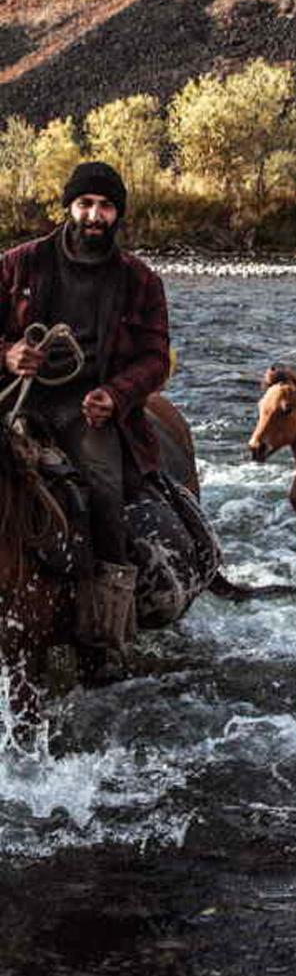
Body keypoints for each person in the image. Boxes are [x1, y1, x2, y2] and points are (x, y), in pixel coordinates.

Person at [0, 161, 170, 671]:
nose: (95, 215)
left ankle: (103, 628)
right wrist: (6, 354)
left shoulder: (141, 280)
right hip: (15, 398)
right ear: (69, 207)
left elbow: (156, 357)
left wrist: (116, 396)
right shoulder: (16, 264)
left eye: (106, 206)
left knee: (102, 488)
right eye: (86, 204)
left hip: (89, 411)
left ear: (117, 213)